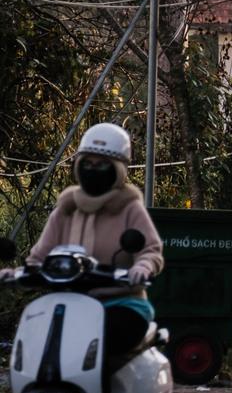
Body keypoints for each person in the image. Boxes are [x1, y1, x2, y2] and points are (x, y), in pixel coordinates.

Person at [22, 123, 164, 371]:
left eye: (102, 165)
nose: (93, 170)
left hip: (120, 303)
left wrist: (142, 266)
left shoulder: (130, 208)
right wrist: (21, 272)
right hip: (66, 303)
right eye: (87, 163)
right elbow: (39, 256)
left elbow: (151, 250)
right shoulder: (65, 209)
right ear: (78, 165)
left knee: (100, 352)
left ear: (118, 169)